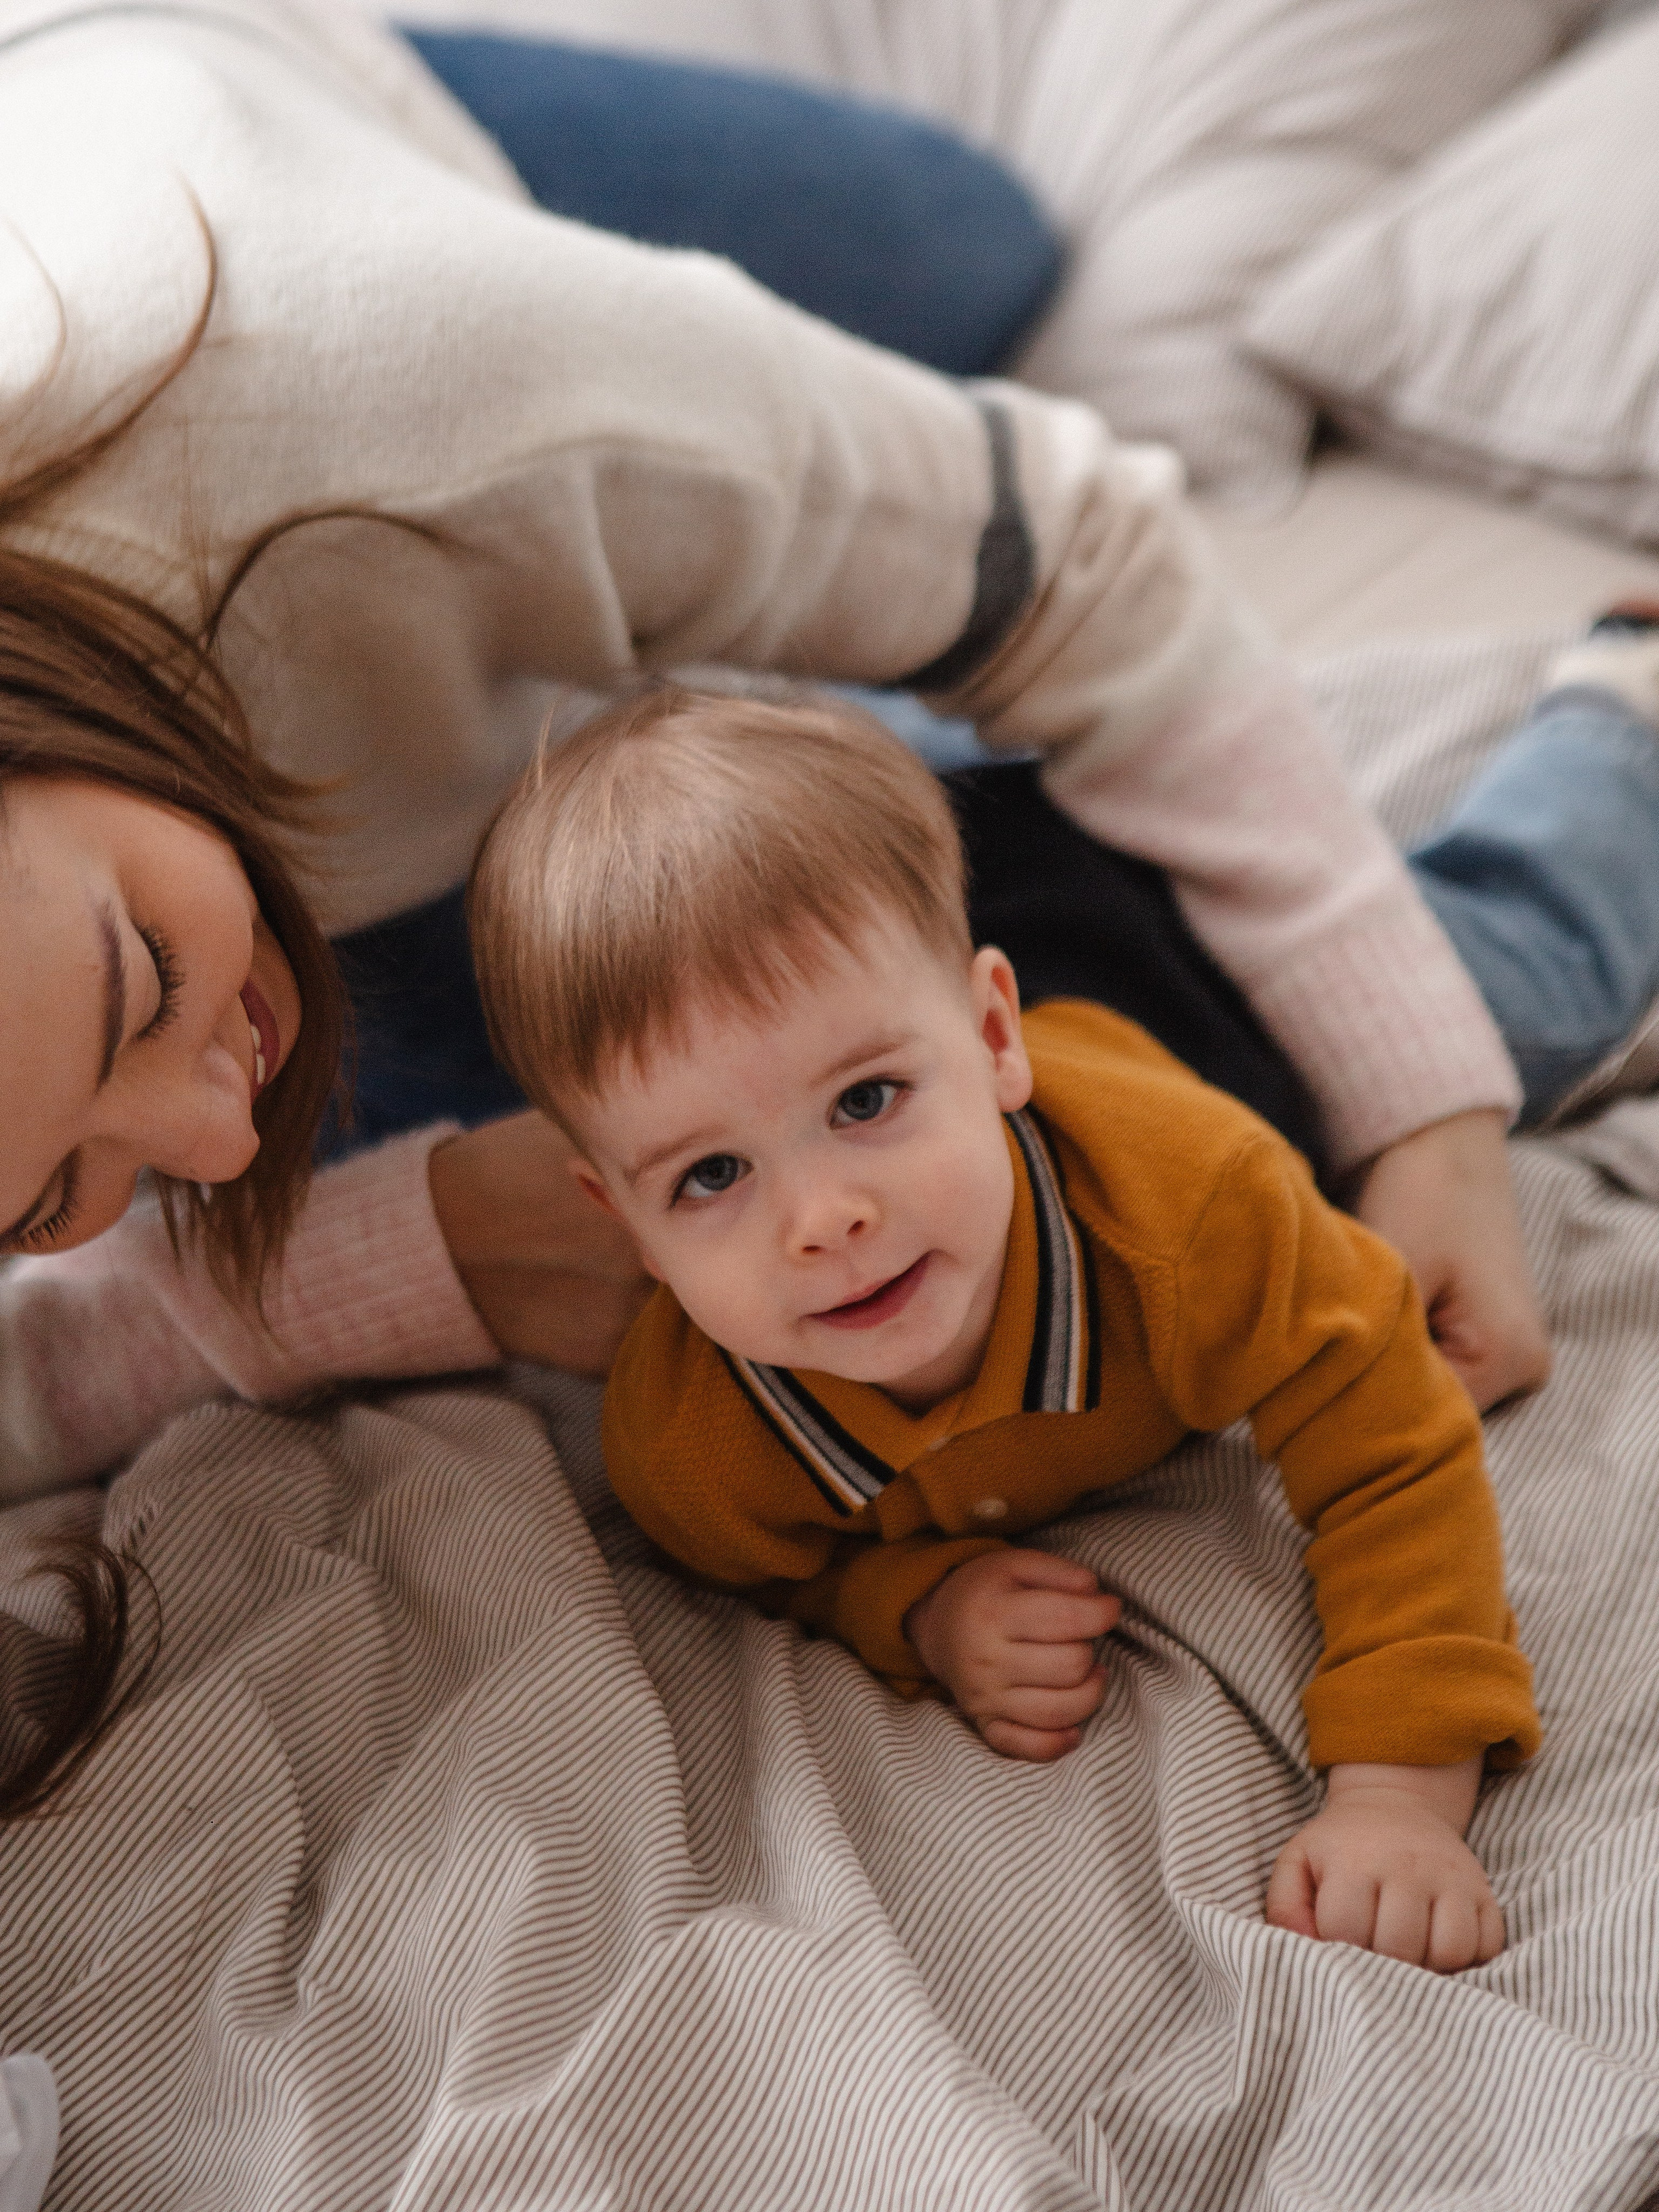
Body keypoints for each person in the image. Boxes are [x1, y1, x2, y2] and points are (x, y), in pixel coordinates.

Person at [0, 0, 1541, 1808]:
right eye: (51, 1190)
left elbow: (1079, 551)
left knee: (982, 248)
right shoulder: (699, 1433)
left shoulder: (401, 406)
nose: (217, 1122)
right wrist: (424, 1239)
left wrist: (1433, 1110)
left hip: (229, 131)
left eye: (146, 982)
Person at [465, 685, 1543, 1975]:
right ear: (622, 1224)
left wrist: (1397, 1795)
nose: (823, 1219)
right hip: (966, 963)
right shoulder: (692, 1450)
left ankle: (1617, 715)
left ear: (989, 1038)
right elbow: (775, 1568)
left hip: (1173, 994)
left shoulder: (1201, 1217)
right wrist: (912, 1608)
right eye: (709, 1176)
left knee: (1527, 981)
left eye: (864, 1100)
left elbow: (1388, 1438)